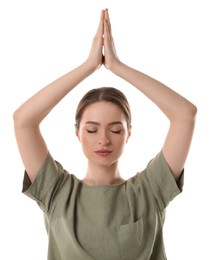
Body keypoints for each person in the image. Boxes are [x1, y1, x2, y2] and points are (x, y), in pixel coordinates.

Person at [13, 9, 197, 260]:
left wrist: (117, 66)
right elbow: (23, 120)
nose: (103, 139)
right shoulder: (57, 191)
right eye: (91, 129)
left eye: (115, 129)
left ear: (128, 133)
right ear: (77, 132)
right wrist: (88, 66)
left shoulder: (150, 190)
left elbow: (185, 114)